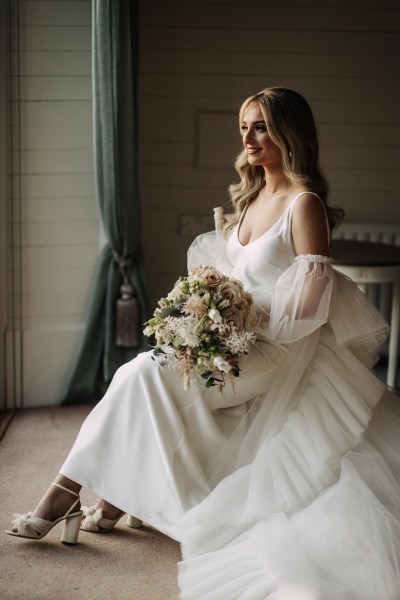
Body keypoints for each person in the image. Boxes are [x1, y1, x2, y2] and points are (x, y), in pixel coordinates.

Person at [7, 87, 400, 599]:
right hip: (227, 345)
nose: (249, 138)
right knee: (138, 374)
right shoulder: (253, 196)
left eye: (260, 126)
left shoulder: (305, 205)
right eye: (244, 127)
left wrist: (240, 318)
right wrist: (199, 312)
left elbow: (309, 306)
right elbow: (225, 275)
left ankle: (64, 497)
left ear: (289, 133)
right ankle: (90, 495)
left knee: (142, 376)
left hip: (270, 353)